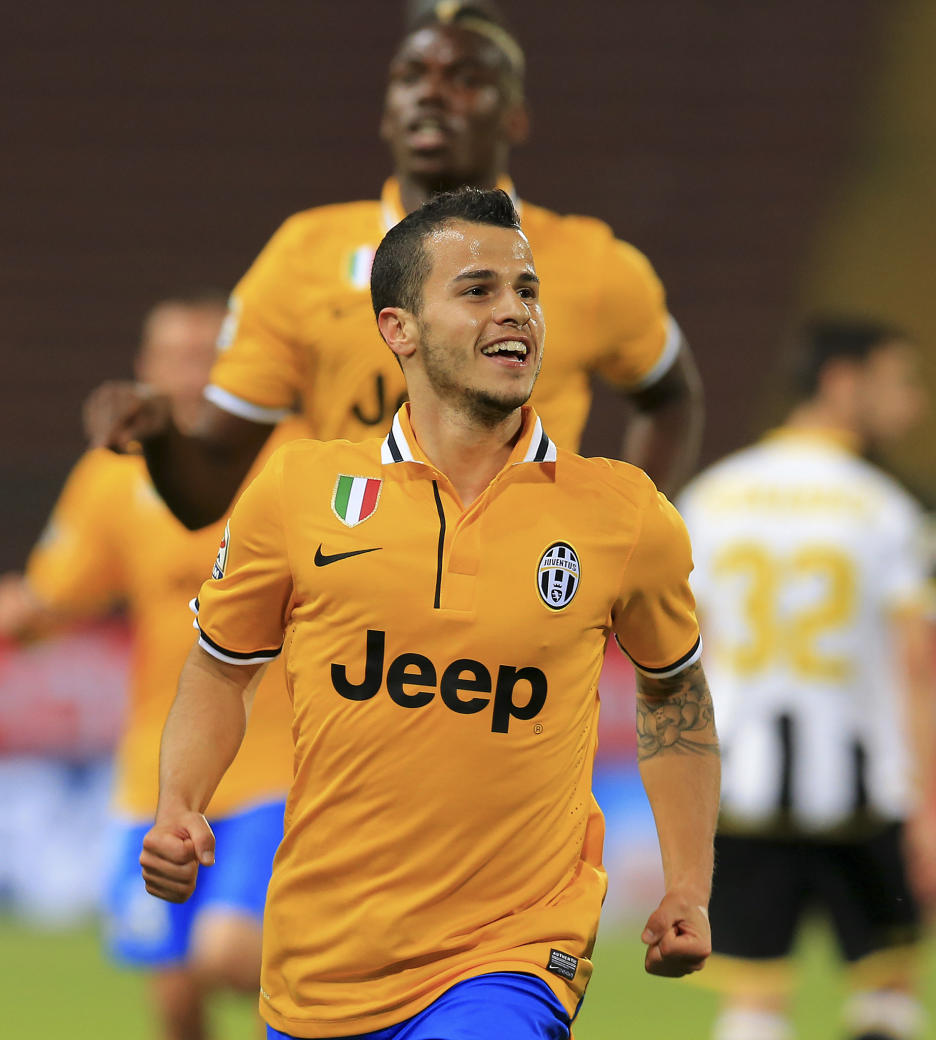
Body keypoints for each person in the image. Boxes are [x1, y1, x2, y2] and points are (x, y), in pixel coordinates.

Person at [139, 187, 719, 1040]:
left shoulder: (625, 514)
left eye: (526, 290)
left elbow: (676, 695)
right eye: (478, 290)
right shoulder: (300, 493)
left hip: (514, 953)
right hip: (323, 959)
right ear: (398, 328)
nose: (514, 310)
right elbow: (222, 665)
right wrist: (180, 802)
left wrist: (688, 883)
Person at [84, 0, 703, 531]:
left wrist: (622, 527)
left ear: (515, 116)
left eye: (465, 77)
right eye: (412, 75)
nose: (431, 92)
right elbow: (206, 494)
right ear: (386, 111)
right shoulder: (304, 253)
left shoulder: (591, 262)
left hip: (520, 622)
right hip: (357, 611)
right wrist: (163, 433)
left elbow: (671, 396)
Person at [0, 295, 300, 1040]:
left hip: (275, 765)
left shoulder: (292, 458)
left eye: (209, 356)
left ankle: (364, 994)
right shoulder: (114, 477)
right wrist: (22, 615)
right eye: (176, 358)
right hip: (156, 770)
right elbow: (58, 592)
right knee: (174, 993)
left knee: (232, 955)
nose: (193, 374)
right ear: (144, 372)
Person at [676, 317, 936, 1040]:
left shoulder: (712, 497)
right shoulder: (891, 507)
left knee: (754, 1005)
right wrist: (932, 808)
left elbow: (681, 659)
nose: (911, 404)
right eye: (899, 383)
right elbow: (916, 664)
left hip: (743, 786)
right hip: (868, 788)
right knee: (888, 991)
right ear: (842, 382)